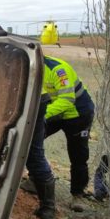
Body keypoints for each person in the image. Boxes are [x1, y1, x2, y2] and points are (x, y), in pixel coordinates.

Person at [42, 56, 95, 206]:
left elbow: (67, 100)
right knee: (31, 140)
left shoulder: (58, 70)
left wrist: (41, 115)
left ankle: (78, 195)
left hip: (78, 113)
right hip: (57, 111)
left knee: (78, 154)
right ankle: (37, 178)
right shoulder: (29, 68)